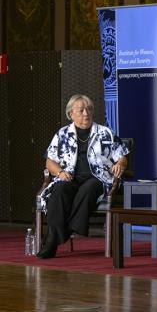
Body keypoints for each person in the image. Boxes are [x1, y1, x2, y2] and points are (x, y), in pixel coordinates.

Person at [37, 94, 129, 259]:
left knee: (89, 188)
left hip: (98, 177)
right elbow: (49, 163)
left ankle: (54, 238)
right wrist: (59, 172)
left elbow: (122, 157)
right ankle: (56, 236)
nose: (86, 113)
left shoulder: (105, 133)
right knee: (58, 190)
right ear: (71, 113)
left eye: (89, 110)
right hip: (71, 177)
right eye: (81, 110)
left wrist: (119, 164)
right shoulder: (62, 134)